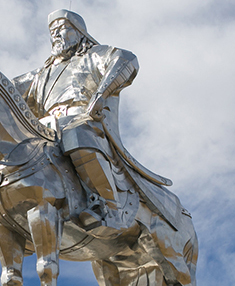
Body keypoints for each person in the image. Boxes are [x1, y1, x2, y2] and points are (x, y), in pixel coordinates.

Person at [13, 9, 142, 232]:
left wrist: (101, 93)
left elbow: (126, 59)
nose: (56, 34)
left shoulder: (93, 56)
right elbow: (6, 88)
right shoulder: (42, 74)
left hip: (82, 120)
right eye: (52, 31)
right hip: (45, 128)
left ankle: (109, 207)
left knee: (75, 134)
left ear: (79, 32)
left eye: (62, 28)